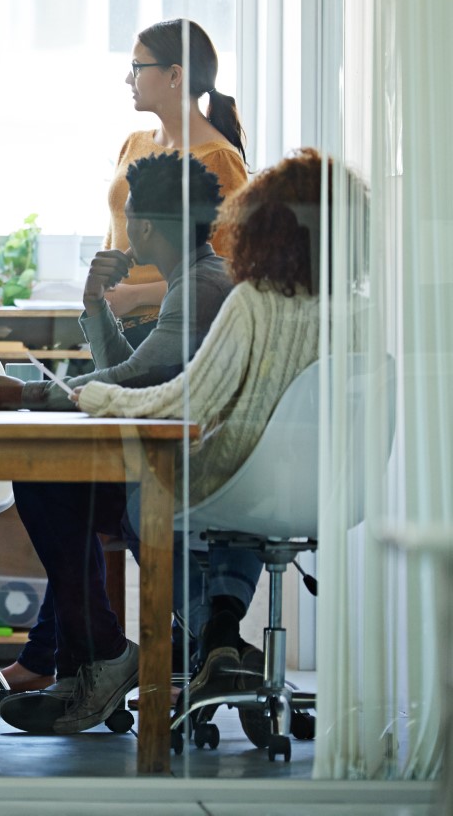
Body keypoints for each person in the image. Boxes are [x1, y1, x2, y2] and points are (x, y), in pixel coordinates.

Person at [67, 148, 360, 738]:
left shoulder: (253, 302)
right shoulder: (361, 310)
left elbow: (183, 399)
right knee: (195, 497)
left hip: (242, 476)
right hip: (328, 488)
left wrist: (89, 397)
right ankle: (223, 644)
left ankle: (215, 645)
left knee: (148, 496)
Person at [0, 154, 257, 735]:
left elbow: (130, 380)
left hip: (191, 477)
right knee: (54, 486)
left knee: (47, 484)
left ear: (147, 228)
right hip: (184, 465)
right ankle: (88, 664)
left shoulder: (200, 287)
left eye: (130, 217)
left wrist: (30, 395)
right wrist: (94, 304)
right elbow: (127, 371)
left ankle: (100, 660)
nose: (125, 228)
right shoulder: (198, 278)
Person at [102, 20, 248, 339]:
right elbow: (115, 235)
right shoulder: (133, 143)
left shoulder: (218, 159)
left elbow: (229, 271)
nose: (129, 78)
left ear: (174, 75)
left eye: (138, 67)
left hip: (175, 329)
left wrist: (136, 295)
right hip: (115, 326)